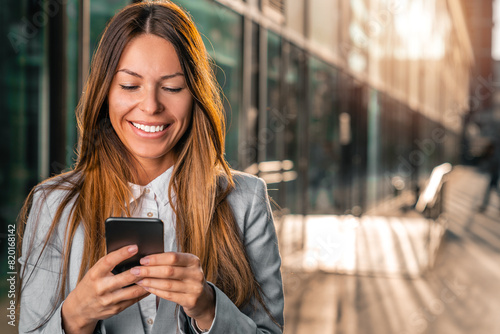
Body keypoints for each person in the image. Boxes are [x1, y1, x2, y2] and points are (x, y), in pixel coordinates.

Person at [17, 1, 284, 333]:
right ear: (105, 93)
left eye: (172, 87)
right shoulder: (52, 204)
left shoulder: (245, 200)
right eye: (130, 85)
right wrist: (75, 316)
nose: (151, 106)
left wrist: (207, 307)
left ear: (195, 95)